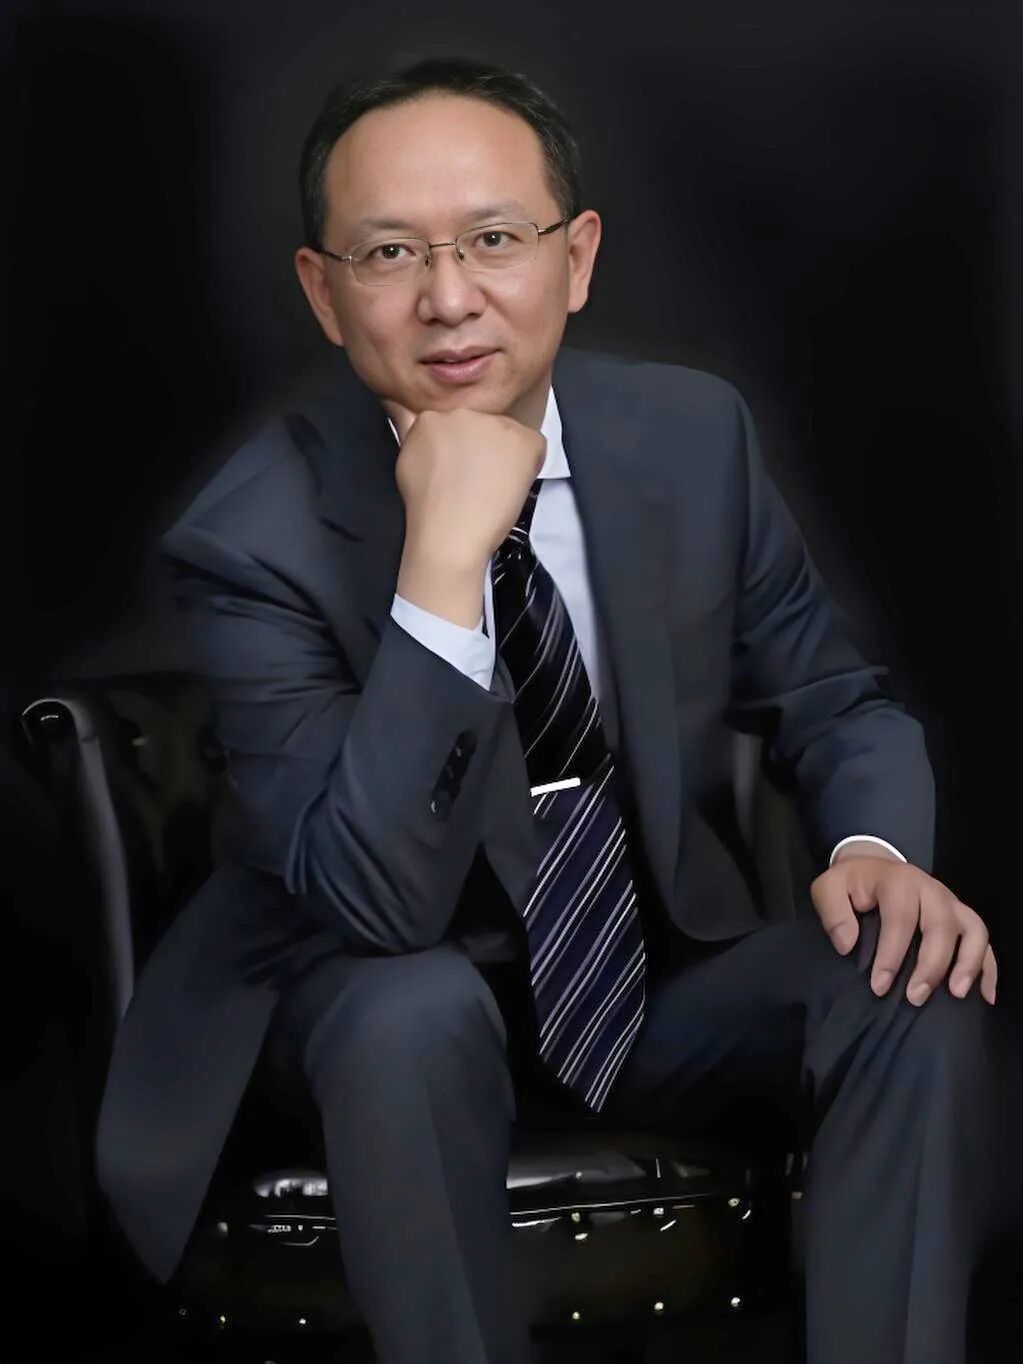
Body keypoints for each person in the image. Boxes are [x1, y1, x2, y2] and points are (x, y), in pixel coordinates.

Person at [94, 55, 1018, 1364]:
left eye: (494, 240)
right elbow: (375, 905)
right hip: (359, 1000)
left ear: (576, 259)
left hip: (642, 985)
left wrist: (876, 852)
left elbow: (834, 697)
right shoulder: (254, 538)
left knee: (909, 980)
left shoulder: (691, 439)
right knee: (413, 1009)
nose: (449, 297)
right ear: (322, 290)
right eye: (389, 254)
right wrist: (441, 568)